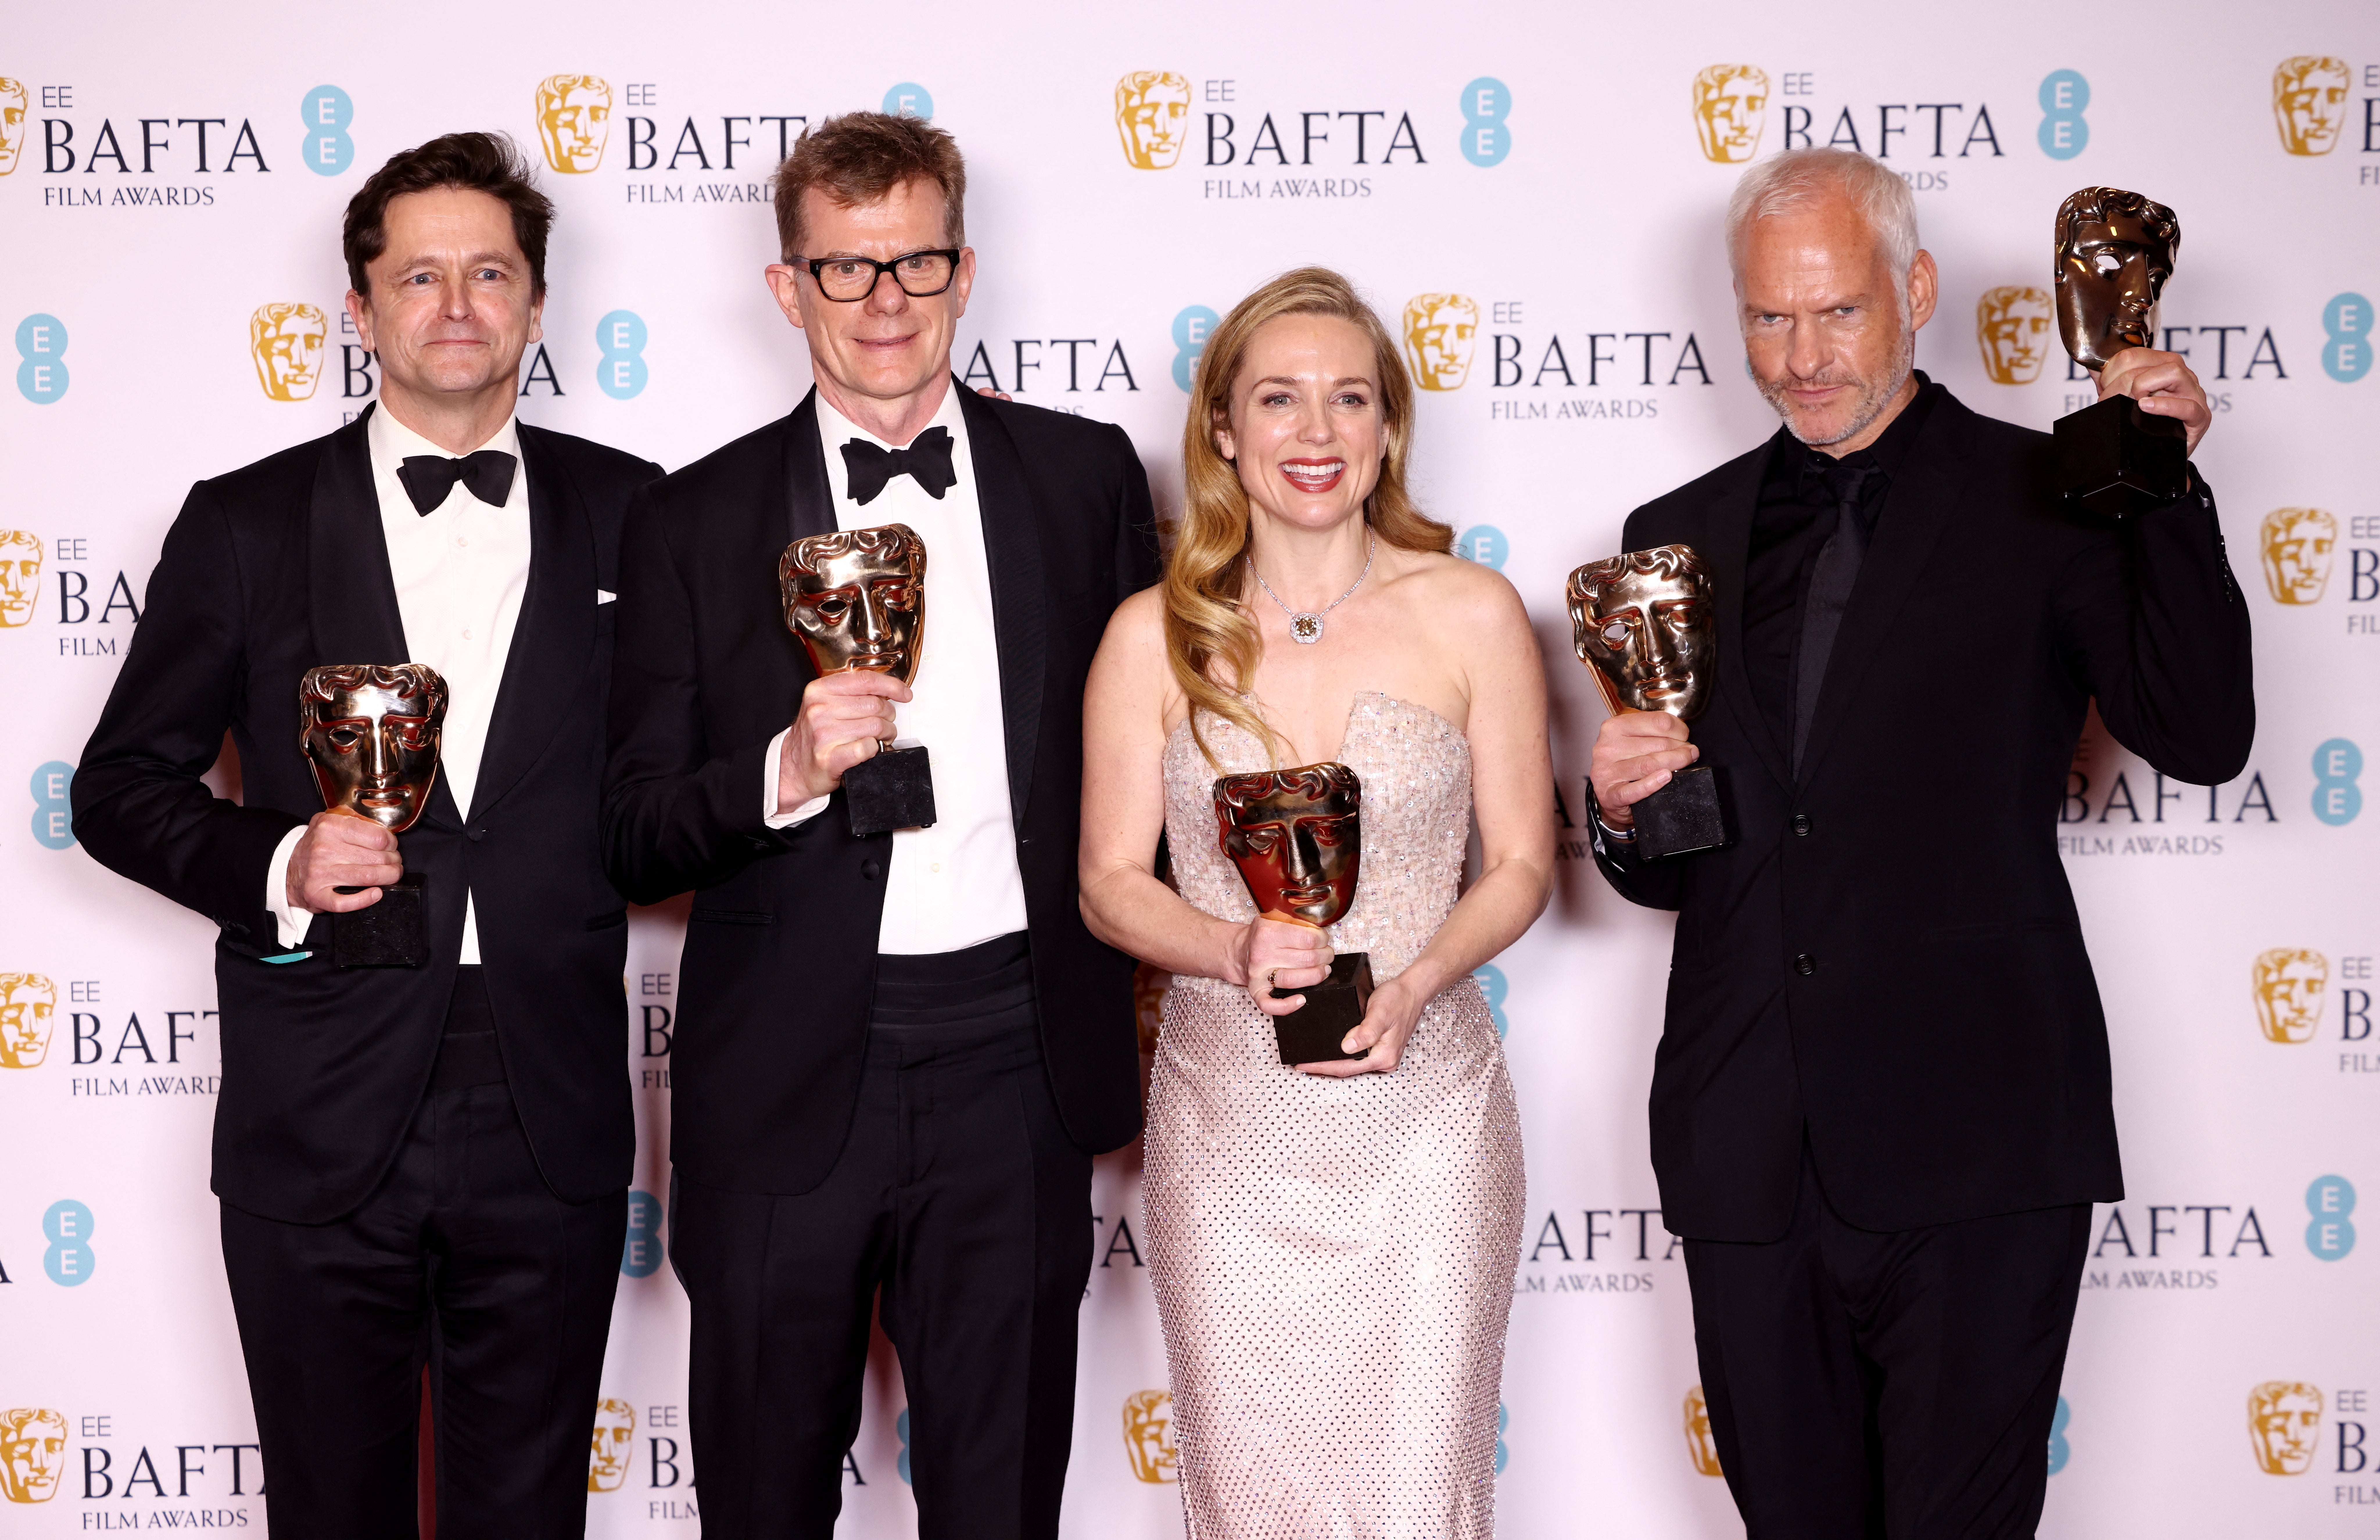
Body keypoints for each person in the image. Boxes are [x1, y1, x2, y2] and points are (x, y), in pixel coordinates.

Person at [1587, 147, 2252, 1537]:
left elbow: (2198, 733)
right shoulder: (1675, 539)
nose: (1800, 355)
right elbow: (1682, 865)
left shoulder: (2053, 496)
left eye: (1834, 312)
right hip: (1751, 1144)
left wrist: (2170, 488)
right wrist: (1620, 808)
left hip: (1980, 1140)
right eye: (1768, 317)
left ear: (1917, 291)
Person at [72, 132, 657, 1536]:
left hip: (551, 1105)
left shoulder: (645, 516)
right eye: (419, 276)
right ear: (362, 309)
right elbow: (119, 789)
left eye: (490, 273)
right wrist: (277, 860)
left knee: (527, 1515)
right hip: (318, 1110)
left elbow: (682, 789)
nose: (456, 304)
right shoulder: (242, 525)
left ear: (533, 302)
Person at [600, 111, 1157, 1539]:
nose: (885, 302)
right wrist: (780, 767)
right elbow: (632, 833)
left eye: (914, 261)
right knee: (764, 1502)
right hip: (780, 1077)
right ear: (786, 289)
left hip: (1014, 1065)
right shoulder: (691, 521)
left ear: (967, 270)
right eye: (845, 271)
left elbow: (1161, 760)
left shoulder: (1086, 479)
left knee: (999, 1503)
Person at [1078, 266, 1551, 1536]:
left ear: (1388, 425)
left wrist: (1413, 984)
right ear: (1223, 428)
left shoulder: (1470, 612)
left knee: (1416, 1496)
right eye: (1278, 400)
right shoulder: (1151, 635)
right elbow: (1109, 883)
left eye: (1349, 399)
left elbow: (1519, 864)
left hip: (1423, 1125)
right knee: (1249, 1498)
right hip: (1227, 1133)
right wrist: (1231, 944)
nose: (1316, 432)